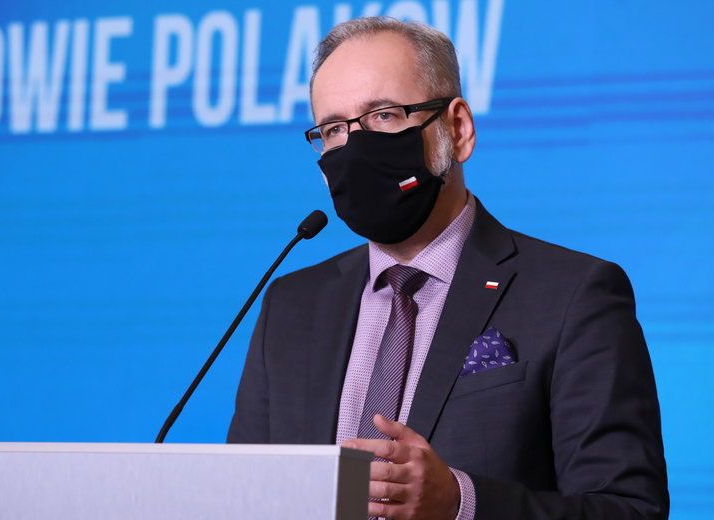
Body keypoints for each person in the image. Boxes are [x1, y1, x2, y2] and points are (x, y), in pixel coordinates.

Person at [228, 17, 668, 520]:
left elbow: (629, 510)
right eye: (333, 129)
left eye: (384, 115)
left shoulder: (573, 295)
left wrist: (461, 503)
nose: (354, 147)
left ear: (457, 130)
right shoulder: (292, 306)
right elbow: (245, 500)